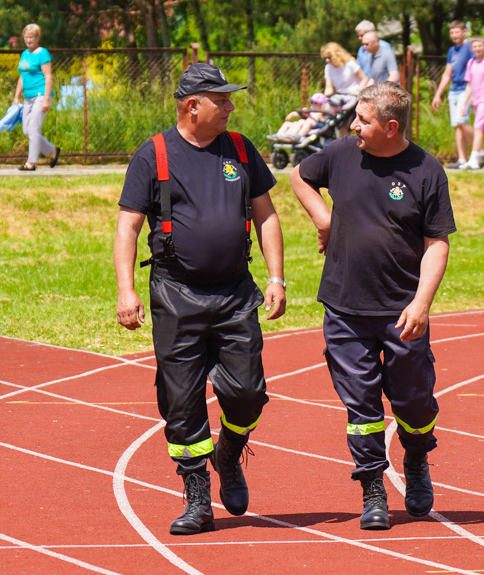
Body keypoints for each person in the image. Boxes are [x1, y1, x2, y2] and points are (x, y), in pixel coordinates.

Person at [114, 63, 287, 536]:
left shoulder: (240, 149)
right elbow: (128, 225)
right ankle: (196, 497)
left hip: (235, 293)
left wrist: (277, 278)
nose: (231, 107)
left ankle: (229, 451)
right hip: (175, 294)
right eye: (223, 100)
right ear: (194, 106)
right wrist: (126, 290)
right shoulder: (153, 155)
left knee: (248, 393)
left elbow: (267, 216)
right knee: (181, 401)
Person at [290, 82, 456, 531]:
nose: (353, 127)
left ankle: (417, 456)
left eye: (362, 120)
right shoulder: (342, 153)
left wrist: (422, 304)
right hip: (344, 307)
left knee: (413, 402)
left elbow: (437, 243)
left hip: (402, 311)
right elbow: (299, 175)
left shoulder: (426, 170)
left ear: (391, 127)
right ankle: (373, 489)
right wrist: (323, 218)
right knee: (361, 406)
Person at [12, 23, 59, 171]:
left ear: (38, 38)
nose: (28, 40)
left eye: (31, 37)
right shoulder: (25, 54)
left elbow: (49, 77)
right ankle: (52, 151)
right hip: (28, 97)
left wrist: (46, 99)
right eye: (26, 37)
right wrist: (16, 96)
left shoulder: (42, 53)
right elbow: (22, 76)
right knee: (26, 130)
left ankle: (31, 163)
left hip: (40, 95)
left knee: (33, 128)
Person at [430, 20, 474, 169]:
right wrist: (438, 94)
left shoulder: (469, 47)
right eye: (452, 32)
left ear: (464, 32)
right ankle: (462, 159)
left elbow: (477, 66)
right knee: (457, 125)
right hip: (454, 90)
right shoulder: (452, 51)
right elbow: (447, 74)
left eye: (457, 32)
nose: (454, 35)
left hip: (466, 89)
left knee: (461, 121)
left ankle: (477, 152)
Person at [459, 36, 484, 170]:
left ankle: (474, 158)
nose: (478, 49)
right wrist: (464, 103)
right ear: (472, 48)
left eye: (480, 46)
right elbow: (470, 85)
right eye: (475, 46)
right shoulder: (471, 63)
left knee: (478, 126)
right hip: (476, 99)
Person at [322, 42, 369, 109]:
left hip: (353, 95)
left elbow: (364, 79)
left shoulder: (349, 64)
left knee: (347, 107)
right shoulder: (328, 67)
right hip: (340, 95)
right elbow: (329, 89)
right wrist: (322, 99)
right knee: (327, 107)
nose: (327, 60)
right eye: (325, 58)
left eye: (329, 57)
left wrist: (358, 90)